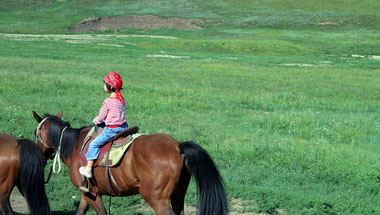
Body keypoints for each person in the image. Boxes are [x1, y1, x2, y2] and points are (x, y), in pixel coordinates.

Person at [79, 72, 128, 178]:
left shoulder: (108, 101)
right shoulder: (121, 99)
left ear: (110, 87)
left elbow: (101, 117)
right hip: (123, 127)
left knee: (94, 144)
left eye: (104, 84)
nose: (103, 86)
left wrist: (96, 120)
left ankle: (88, 169)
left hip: (112, 130)